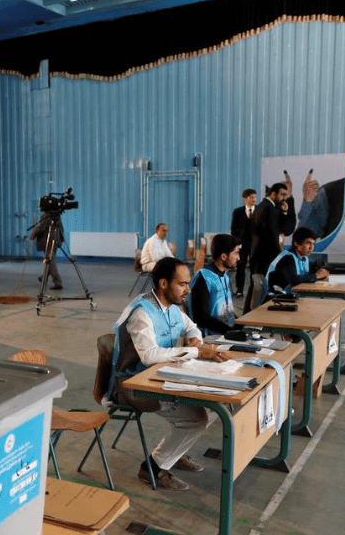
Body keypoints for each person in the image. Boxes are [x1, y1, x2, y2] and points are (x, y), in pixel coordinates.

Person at [110, 257, 229, 491]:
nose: (189, 288)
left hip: (162, 379)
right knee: (197, 418)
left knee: (216, 404)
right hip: (134, 386)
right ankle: (152, 468)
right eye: (182, 284)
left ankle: (172, 455)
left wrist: (195, 337)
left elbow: (191, 326)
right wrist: (195, 351)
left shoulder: (173, 308)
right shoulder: (141, 313)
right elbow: (149, 356)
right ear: (163, 283)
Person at [246, 179, 296, 312]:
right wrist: (279, 257)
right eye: (282, 195)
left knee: (257, 290)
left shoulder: (271, 208)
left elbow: (286, 229)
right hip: (263, 258)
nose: (284, 198)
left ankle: (248, 319)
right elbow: (272, 236)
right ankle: (251, 322)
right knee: (258, 290)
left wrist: (285, 212)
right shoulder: (266, 209)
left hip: (264, 257)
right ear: (273, 194)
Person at [187, 234, 242, 336]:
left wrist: (242, 325)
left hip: (225, 332)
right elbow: (202, 319)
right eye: (236, 253)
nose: (238, 258)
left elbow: (227, 311)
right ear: (224, 256)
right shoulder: (203, 278)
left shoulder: (225, 276)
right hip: (212, 338)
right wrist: (230, 332)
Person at [263, 227, 330, 303]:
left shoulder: (303, 257)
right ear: (297, 243)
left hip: (286, 297)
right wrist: (316, 276)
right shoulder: (287, 258)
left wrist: (321, 270)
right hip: (273, 299)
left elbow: (309, 271)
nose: (311, 247)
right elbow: (294, 280)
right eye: (308, 243)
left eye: (313, 243)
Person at [230, 189, 257, 297]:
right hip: (242, 244)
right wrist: (236, 242)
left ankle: (254, 289)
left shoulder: (260, 210)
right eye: (251, 197)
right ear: (245, 198)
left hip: (255, 245)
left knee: (254, 268)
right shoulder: (238, 211)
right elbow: (233, 229)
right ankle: (240, 290)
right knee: (241, 267)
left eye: (255, 197)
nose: (253, 199)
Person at [29, 212, 63, 290]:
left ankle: (57, 282)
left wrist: (33, 234)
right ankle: (43, 277)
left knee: (50, 261)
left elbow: (41, 227)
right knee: (49, 259)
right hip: (56, 239)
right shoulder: (56, 214)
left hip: (49, 240)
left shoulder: (47, 215)